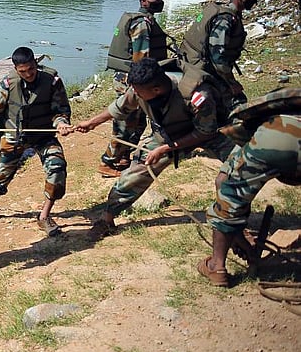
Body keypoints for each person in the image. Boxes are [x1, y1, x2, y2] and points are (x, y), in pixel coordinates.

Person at [75, 58, 235, 235]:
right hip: (169, 134)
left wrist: (165, 149)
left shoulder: (197, 95)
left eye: (138, 91)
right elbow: (120, 108)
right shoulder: (140, 88)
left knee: (239, 167)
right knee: (133, 174)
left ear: (156, 89)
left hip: (210, 133)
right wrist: (91, 123)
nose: (134, 93)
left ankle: (231, 222)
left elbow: (206, 132)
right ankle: (107, 218)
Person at [199, 89, 301, 287]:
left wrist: (234, 230)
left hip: (282, 134)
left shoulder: (255, 126)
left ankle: (216, 267)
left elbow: (224, 183)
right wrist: (240, 236)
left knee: (230, 192)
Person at [0, 47, 74, 236]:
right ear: (16, 69)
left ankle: (44, 217)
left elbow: (61, 110)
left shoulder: (52, 82)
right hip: (15, 135)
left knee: (57, 168)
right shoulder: (9, 84)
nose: (28, 74)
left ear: (36, 64)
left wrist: (61, 123)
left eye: (31, 70)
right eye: (23, 71)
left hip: (44, 136)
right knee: (1, 173)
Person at [99, 0, 171, 178]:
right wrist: (143, 85)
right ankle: (108, 162)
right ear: (144, 1)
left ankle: (122, 157)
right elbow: (141, 58)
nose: (161, 2)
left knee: (137, 123)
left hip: (132, 79)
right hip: (133, 81)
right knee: (125, 124)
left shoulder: (145, 20)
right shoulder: (141, 24)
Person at [179, 0, 257, 110]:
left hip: (196, 64)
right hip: (204, 70)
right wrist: (231, 83)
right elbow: (217, 56)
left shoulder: (226, 12)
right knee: (239, 103)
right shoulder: (225, 19)